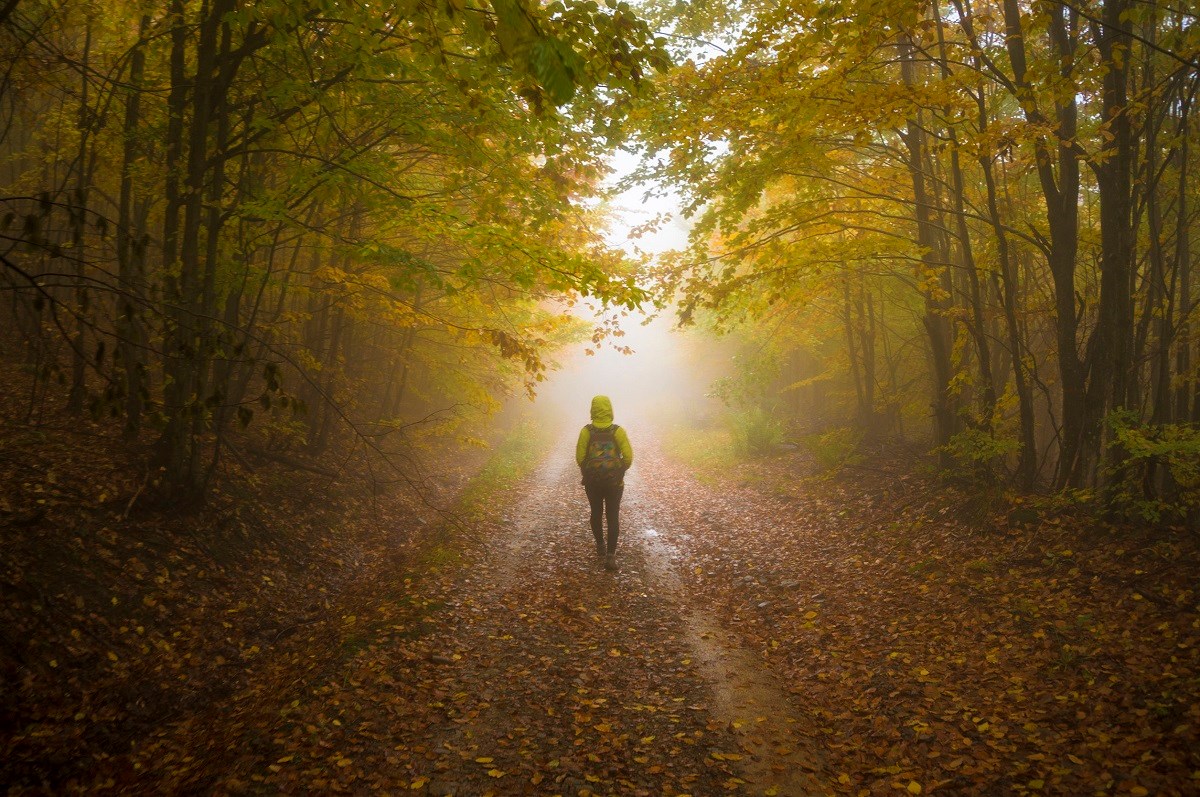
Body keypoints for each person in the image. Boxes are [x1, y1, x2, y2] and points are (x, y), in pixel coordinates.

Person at [576, 395, 633, 571]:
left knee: (596, 513)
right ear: (610, 409)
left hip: (593, 482)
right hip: (614, 483)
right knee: (612, 515)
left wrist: (590, 471)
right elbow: (629, 457)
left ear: (592, 409)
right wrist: (618, 471)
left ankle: (600, 545)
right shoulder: (618, 431)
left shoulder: (586, 431)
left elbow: (580, 458)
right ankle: (610, 556)